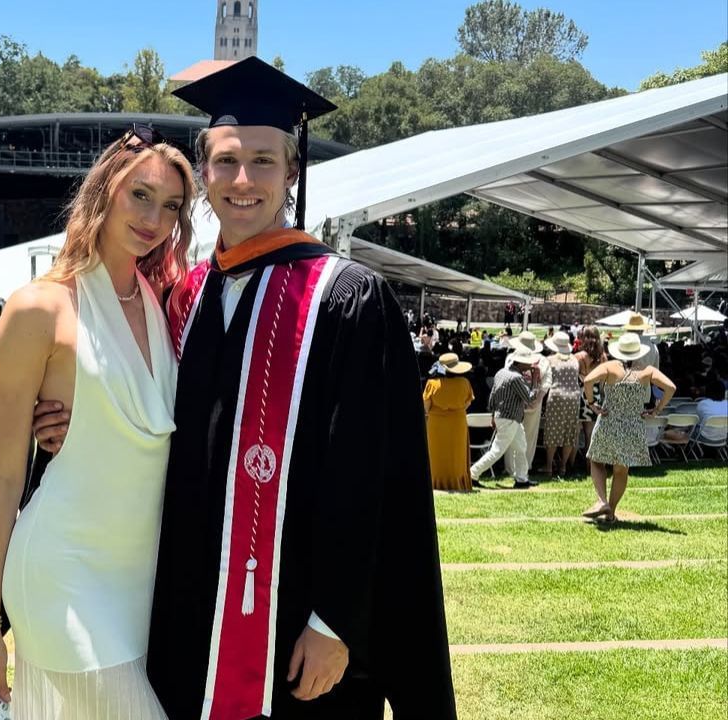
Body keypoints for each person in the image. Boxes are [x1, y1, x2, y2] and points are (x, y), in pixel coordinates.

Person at [152, 58, 454, 718]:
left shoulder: (345, 298)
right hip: (185, 613)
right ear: (202, 172)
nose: (243, 180)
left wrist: (336, 621)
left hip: (298, 626)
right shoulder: (185, 297)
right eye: (226, 161)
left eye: (264, 161)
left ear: (293, 172)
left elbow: (372, 477)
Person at [0, 127, 193, 718]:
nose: (155, 219)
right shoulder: (40, 306)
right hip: (63, 573)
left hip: (139, 580)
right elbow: (4, 478)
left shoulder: (162, 300)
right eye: (140, 195)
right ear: (104, 191)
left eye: (171, 206)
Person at [582, 333, 676, 522]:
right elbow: (671, 388)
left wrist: (592, 403)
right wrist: (656, 410)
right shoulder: (647, 371)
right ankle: (611, 511)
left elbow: (587, 381)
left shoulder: (609, 367)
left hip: (609, 421)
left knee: (596, 461)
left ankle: (602, 501)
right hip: (633, 425)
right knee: (621, 470)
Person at [470, 344, 540, 489]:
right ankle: (472, 473)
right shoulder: (516, 378)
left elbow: (493, 397)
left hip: (503, 416)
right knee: (497, 450)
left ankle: (522, 479)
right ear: (520, 363)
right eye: (527, 362)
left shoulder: (501, 373)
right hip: (510, 418)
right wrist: (535, 379)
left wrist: (493, 416)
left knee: (521, 447)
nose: (530, 365)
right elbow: (529, 397)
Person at [423, 353, 475, 491]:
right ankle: (457, 481)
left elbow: (425, 407)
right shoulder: (465, 383)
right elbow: (467, 403)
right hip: (458, 423)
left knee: (436, 454)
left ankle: (436, 481)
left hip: (436, 424)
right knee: (457, 454)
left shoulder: (432, 384)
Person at [504, 330, 551, 477]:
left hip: (514, 401)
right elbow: (547, 383)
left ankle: (513, 468)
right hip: (532, 401)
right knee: (528, 436)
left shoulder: (511, 358)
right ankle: (525, 466)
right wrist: (537, 400)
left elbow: (507, 377)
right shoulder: (543, 361)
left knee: (513, 434)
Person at [541, 331, 582, 476]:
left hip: (557, 395)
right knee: (568, 432)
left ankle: (549, 466)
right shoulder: (574, 360)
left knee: (553, 431)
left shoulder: (550, 360)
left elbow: (543, 378)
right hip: (574, 397)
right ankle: (563, 466)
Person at [575, 326, 607, 469]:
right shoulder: (603, 356)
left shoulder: (579, 357)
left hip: (581, 394)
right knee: (590, 434)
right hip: (594, 395)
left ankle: (571, 464)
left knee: (575, 434)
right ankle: (590, 467)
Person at [694, 378, 728, 446]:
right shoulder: (726, 403)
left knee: (691, 428)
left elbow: (698, 421)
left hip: (705, 437)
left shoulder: (703, 403)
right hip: (723, 438)